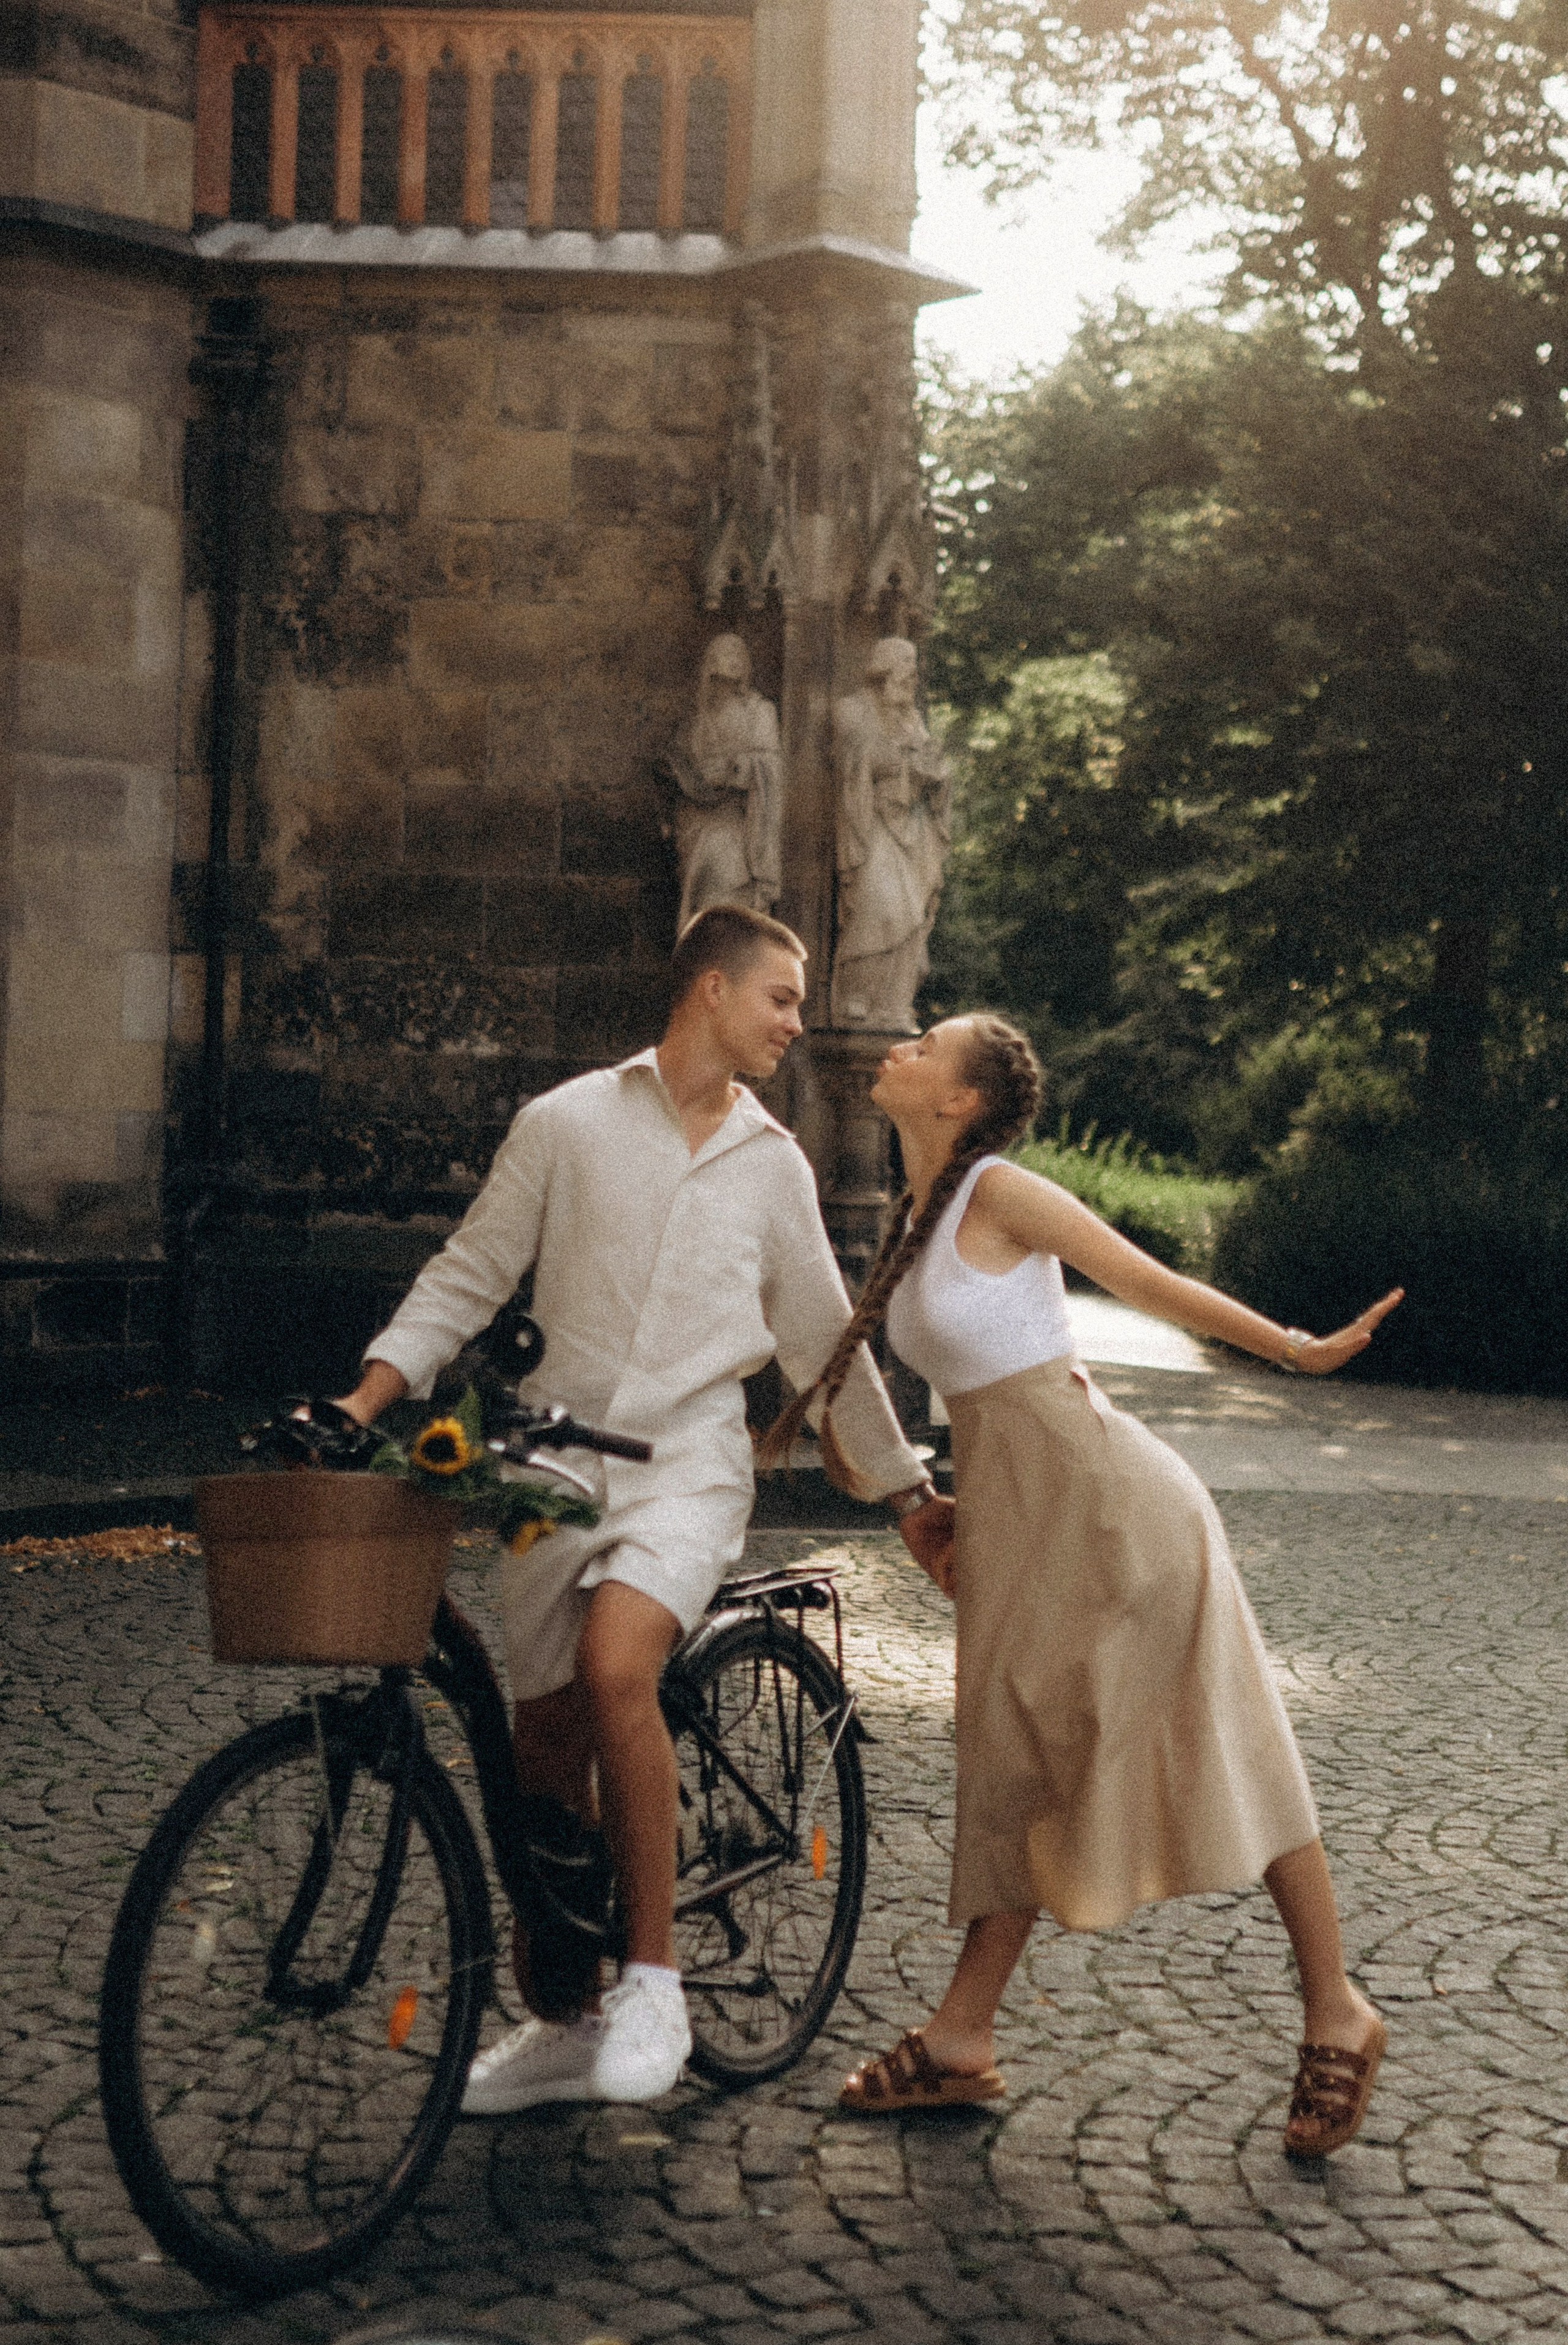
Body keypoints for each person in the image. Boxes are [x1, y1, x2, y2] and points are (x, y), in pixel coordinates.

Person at [334, 905, 949, 2112]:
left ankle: (656, 1985)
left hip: (689, 1460)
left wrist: (902, 1488)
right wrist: (366, 1399)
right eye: (780, 996)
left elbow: (823, 1342)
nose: (795, 1020)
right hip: (548, 1466)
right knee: (545, 1749)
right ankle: (565, 2021)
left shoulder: (772, 1164)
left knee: (620, 1664)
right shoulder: (564, 1123)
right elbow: (471, 1268)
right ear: (710, 989)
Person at [762, 1012, 1402, 2159]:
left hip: (1115, 1512)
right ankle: (964, 2037)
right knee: (1018, 1762)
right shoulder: (920, 1215)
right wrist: (935, 1502)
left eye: (927, 1045)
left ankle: (1337, 2008)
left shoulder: (999, 1189)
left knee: (1226, 1739)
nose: (899, 1049)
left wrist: (1297, 1350)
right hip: (1021, 1526)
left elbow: (1143, 1281)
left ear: (961, 1101)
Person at [831, 637, 952, 1033]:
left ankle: (893, 1004)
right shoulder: (851, 710)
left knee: (913, 919)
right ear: (882, 668)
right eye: (904, 664)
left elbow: (929, 760)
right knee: (878, 905)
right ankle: (857, 996)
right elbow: (852, 758)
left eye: (914, 665)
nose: (912, 675)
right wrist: (903, 760)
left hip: (913, 831)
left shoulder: (910, 717)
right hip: (874, 826)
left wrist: (932, 772)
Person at [663, 633, 783, 932]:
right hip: (698, 824)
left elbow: (770, 768)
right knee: (702, 902)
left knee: (727, 889)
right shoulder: (696, 719)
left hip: (738, 826)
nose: (722, 683)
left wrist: (736, 769)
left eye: (735, 660)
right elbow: (678, 766)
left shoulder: (759, 712)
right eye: (716, 674)